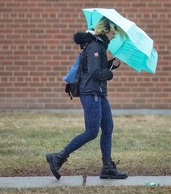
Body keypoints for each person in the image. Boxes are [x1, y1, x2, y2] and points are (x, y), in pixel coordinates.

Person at [46, 17, 128, 180]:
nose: (114, 36)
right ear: (107, 30)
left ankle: (107, 168)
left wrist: (112, 64)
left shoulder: (99, 45)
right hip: (91, 93)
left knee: (108, 127)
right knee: (91, 132)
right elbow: (94, 72)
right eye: (114, 32)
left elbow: (97, 68)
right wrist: (110, 73)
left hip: (98, 92)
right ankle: (58, 157)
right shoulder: (96, 46)